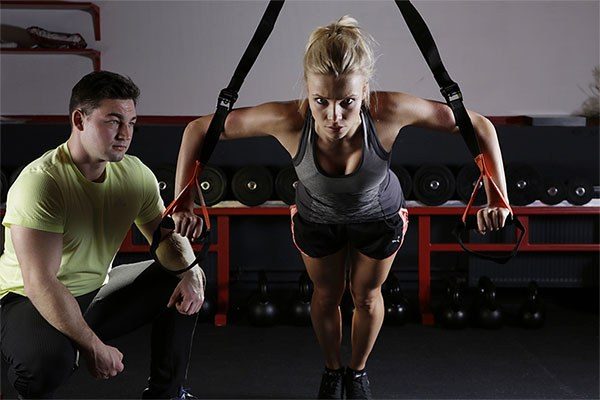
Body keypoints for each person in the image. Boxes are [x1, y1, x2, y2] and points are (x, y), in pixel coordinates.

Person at [173, 16, 510, 400]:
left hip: (379, 216)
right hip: (317, 218)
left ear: (365, 90)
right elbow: (198, 129)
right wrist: (182, 199)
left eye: (347, 102)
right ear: (308, 91)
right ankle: (333, 372)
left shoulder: (388, 110)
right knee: (326, 295)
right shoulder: (288, 119)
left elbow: (478, 125)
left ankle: (358, 373)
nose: (334, 116)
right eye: (321, 101)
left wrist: (498, 196)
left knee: (366, 296)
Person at [0, 71, 205, 399]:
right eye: (113, 121)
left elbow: (165, 239)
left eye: (132, 123)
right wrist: (94, 346)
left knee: (180, 276)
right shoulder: (42, 182)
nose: (125, 134)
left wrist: (190, 270)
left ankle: (168, 394)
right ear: (79, 120)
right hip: (25, 299)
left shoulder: (135, 173)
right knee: (47, 361)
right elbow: (41, 282)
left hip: (94, 291)